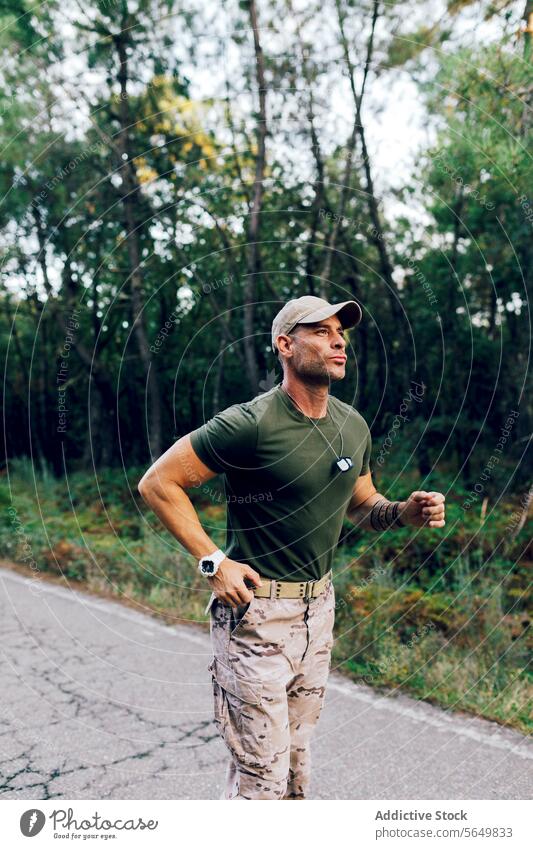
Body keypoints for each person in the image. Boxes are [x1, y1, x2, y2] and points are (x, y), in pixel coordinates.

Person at [138, 295, 445, 800]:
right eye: (321, 331)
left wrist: (404, 513)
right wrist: (214, 562)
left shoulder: (352, 425)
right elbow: (158, 483)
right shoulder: (250, 423)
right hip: (254, 618)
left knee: (297, 775)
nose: (338, 340)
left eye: (340, 332)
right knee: (262, 782)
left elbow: (363, 504)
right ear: (285, 344)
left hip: (317, 614)